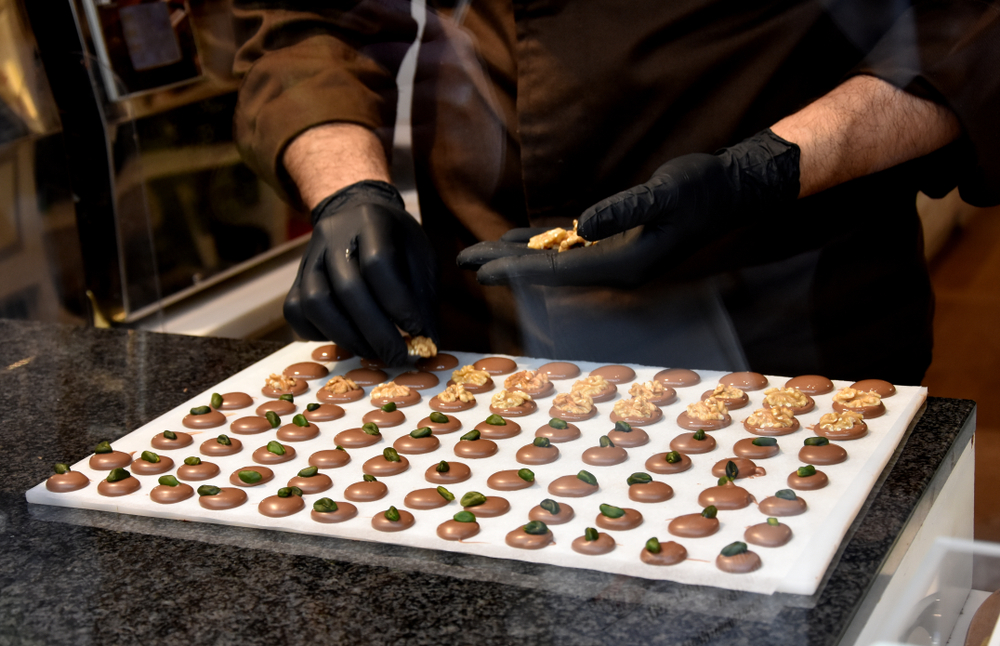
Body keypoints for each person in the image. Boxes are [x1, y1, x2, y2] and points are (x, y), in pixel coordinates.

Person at [232, 0, 1000, 383]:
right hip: (486, 299)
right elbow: (309, 16)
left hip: (783, 290)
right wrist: (345, 187)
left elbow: (970, 25)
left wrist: (762, 170)